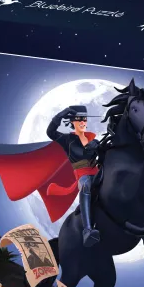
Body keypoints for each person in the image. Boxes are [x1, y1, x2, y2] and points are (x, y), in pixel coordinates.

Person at [46, 105, 102, 247]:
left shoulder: (93, 140)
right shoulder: (66, 139)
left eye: (84, 119)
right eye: (79, 119)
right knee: (85, 187)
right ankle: (87, 230)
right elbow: (50, 132)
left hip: (98, 171)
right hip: (83, 173)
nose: (82, 122)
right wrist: (61, 114)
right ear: (72, 122)